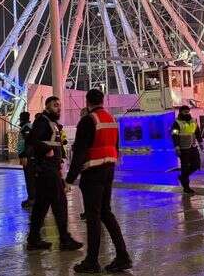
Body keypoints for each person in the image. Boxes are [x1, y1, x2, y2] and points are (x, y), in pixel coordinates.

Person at [67, 89, 132, 274]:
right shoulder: (111, 120)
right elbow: (115, 145)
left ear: (87, 102)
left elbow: (80, 152)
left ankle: (92, 260)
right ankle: (122, 255)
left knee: (93, 216)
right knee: (106, 212)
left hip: (92, 172)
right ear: (102, 100)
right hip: (109, 169)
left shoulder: (88, 120)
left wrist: (69, 179)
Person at [25, 96, 82, 251]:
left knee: (41, 206)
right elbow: (32, 140)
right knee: (60, 203)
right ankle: (64, 239)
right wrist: (47, 150)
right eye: (55, 105)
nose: (59, 108)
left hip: (48, 169)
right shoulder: (43, 122)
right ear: (47, 107)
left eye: (59, 105)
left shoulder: (51, 123)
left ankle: (33, 239)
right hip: (47, 169)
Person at [171, 105, 204, 194]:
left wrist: (200, 143)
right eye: (185, 112)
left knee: (196, 164)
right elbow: (174, 135)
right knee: (185, 167)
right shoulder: (176, 123)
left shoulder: (193, 121)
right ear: (181, 112)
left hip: (193, 147)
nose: (187, 113)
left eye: (188, 111)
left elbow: (197, 132)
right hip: (183, 148)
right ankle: (186, 187)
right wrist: (177, 147)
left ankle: (182, 177)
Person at [16, 111, 34, 208]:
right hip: (28, 157)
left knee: (29, 178)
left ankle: (32, 199)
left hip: (28, 158)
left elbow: (27, 143)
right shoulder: (27, 127)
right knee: (29, 178)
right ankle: (32, 197)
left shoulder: (26, 128)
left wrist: (24, 156)